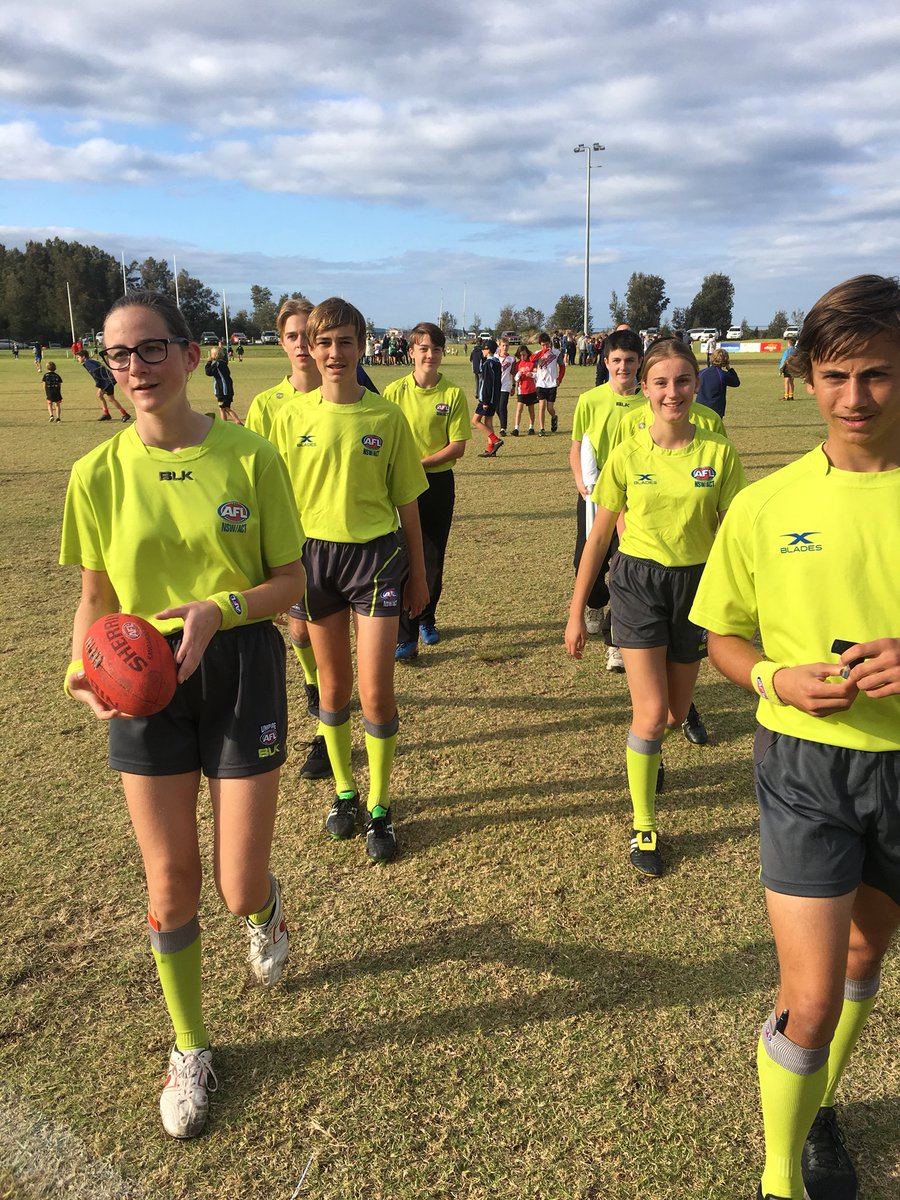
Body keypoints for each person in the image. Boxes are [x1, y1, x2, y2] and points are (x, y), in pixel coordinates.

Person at [60, 289, 305, 1140]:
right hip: (140, 682)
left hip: (238, 667)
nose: (134, 368)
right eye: (119, 355)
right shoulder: (94, 474)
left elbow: (290, 581)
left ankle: (269, 912)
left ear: (193, 356)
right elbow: (96, 595)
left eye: (151, 349)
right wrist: (79, 667)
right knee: (170, 886)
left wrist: (219, 609)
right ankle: (191, 1045)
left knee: (237, 884)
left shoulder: (250, 457)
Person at [690, 273, 900, 1200]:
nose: (857, 398)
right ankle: (780, 1178)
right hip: (805, 767)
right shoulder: (766, 505)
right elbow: (723, 636)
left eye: (880, 376)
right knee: (808, 997)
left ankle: (818, 1114)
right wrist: (776, 675)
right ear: (806, 378)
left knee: (864, 960)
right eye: (837, 376)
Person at [565, 337, 747, 877]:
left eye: (683, 381)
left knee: (670, 713)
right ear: (643, 389)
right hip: (638, 585)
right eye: (661, 383)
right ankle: (644, 826)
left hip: (697, 588)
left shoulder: (718, 453)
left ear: (697, 384)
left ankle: (654, 749)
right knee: (648, 714)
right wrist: (577, 611)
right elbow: (598, 539)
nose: (673, 393)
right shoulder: (627, 454)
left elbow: (734, 534)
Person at [270, 297, 428, 864]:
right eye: (324, 343)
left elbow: (407, 502)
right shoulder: (291, 418)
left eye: (346, 342)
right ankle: (345, 794)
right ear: (309, 350)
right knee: (333, 691)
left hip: (377, 561)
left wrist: (421, 575)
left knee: (377, 691)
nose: (335, 353)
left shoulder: (386, 417)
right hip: (315, 562)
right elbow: (277, 505)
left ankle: (381, 806)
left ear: (363, 347)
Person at [384, 321, 470, 660]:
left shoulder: (451, 394)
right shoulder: (393, 393)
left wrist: (419, 464)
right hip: (401, 485)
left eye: (436, 349)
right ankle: (404, 634)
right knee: (403, 555)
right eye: (423, 348)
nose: (430, 354)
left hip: (436, 483)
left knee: (433, 556)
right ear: (411, 352)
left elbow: (458, 445)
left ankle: (426, 617)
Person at [569, 329, 645, 672]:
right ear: (606, 361)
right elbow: (576, 447)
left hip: (636, 501)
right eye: (617, 360)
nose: (623, 367)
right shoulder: (590, 400)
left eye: (630, 360)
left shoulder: (650, 401)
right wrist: (580, 481)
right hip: (595, 496)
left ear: (640, 363)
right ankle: (594, 604)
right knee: (586, 563)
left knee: (623, 569)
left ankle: (615, 644)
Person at [76, 349, 131, 421]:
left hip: (107, 381)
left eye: (78, 357)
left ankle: (124, 414)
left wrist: (99, 384)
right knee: (101, 395)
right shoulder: (90, 361)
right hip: (108, 380)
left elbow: (96, 373)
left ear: (83, 357)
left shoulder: (88, 363)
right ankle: (106, 414)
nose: (77, 359)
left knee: (110, 398)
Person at [473, 338, 503, 457]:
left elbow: (487, 383)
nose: (482, 352)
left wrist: (485, 400)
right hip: (495, 397)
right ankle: (491, 449)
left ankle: (496, 440)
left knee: (475, 421)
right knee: (488, 421)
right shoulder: (497, 362)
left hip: (487, 399)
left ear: (488, 350)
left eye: (484, 349)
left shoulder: (488, 364)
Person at [531, 332, 566, 434]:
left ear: (550, 343)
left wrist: (559, 379)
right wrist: (543, 352)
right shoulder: (538, 353)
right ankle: (541, 429)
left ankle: (554, 417)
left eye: (547, 344)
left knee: (549, 408)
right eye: (543, 345)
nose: (545, 347)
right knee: (541, 405)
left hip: (552, 383)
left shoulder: (556, 353)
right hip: (541, 383)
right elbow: (531, 359)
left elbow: (562, 366)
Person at [696, 348, 740, 419]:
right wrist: (729, 368)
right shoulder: (722, 375)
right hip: (715, 410)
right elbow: (736, 382)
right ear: (725, 361)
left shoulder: (701, 373)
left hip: (699, 409)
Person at [204, 346, 243, 424]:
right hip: (228, 389)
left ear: (214, 355)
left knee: (222, 408)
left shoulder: (217, 364)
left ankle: (234, 421)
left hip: (222, 391)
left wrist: (209, 362)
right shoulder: (223, 363)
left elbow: (208, 372)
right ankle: (233, 421)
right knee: (226, 407)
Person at [512, 343, 537, 435]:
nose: (522, 357)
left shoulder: (531, 363)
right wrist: (518, 375)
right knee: (519, 409)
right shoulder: (517, 364)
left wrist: (532, 375)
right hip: (521, 390)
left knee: (531, 409)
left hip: (531, 390)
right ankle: (516, 428)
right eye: (520, 355)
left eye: (524, 354)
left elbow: (537, 374)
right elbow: (515, 378)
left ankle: (531, 427)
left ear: (527, 353)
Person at [496, 336, 515, 437]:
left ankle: (503, 428)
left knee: (502, 406)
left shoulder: (511, 359)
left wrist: (513, 385)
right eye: (503, 345)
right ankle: (502, 422)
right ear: (499, 346)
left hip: (506, 385)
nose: (505, 347)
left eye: (507, 345)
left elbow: (512, 373)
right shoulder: (495, 357)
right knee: (496, 408)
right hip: (496, 386)